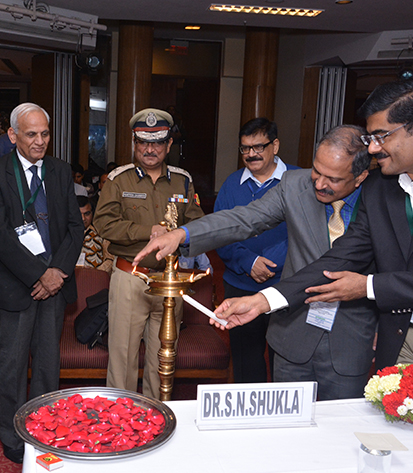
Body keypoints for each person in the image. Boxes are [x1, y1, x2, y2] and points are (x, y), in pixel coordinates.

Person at [206, 77, 413, 394]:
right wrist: (264, 301)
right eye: (370, 138)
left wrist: (368, 286)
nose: (374, 148)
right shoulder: (380, 186)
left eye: (381, 136)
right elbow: (343, 256)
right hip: (403, 340)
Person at [134, 125, 378, 400]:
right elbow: (244, 219)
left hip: (349, 338)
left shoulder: (381, 197)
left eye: (332, 179)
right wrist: (182, 234)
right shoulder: (295, 185)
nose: (319, 184)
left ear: (360, 177)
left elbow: (393, 267)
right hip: (293, 333)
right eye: (316, 171)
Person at [0, 102, 83, 464]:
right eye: (31, 134)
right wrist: (40, 274)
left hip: (55, 285)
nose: (40, 141)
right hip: (17, 286)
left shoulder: (60, 170)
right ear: (13, 135)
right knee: (12, 365)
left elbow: (75, 228)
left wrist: (57, 273)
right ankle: (12, 435)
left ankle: (44, 427)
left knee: (47, 365)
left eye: (45, 134)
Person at [94, 108, 204, 399]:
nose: (150, 149)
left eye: (157, 143)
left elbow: (198, 225)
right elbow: (103, 224)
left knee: (163, 360)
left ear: (169, 145)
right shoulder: (119, 180)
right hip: (131, 278)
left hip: (169, 281)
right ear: (134, 143)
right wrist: (149, 230)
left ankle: (158, 416)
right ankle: (121, 419)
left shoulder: (182, 181)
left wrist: (180, 238)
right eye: (143, 142)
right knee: (122, 360)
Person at [213, 118, 299, 383]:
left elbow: (308, 233)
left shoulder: (299, 181)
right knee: (246, 365)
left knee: (286, 363)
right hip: (240, 286)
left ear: (275, 146)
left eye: (258, 147)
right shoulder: (231, 185)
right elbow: (220, 233)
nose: (251, 154)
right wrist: (249, 262)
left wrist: (274, 263)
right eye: (245, 148)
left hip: (286, 288)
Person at [76, 195, 113, 272]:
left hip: (96, 276)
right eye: (78, 214)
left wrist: (95, 273)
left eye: (87, 214)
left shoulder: (102, 233)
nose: (83, 218)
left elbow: (110, 260)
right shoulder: (63, 234)